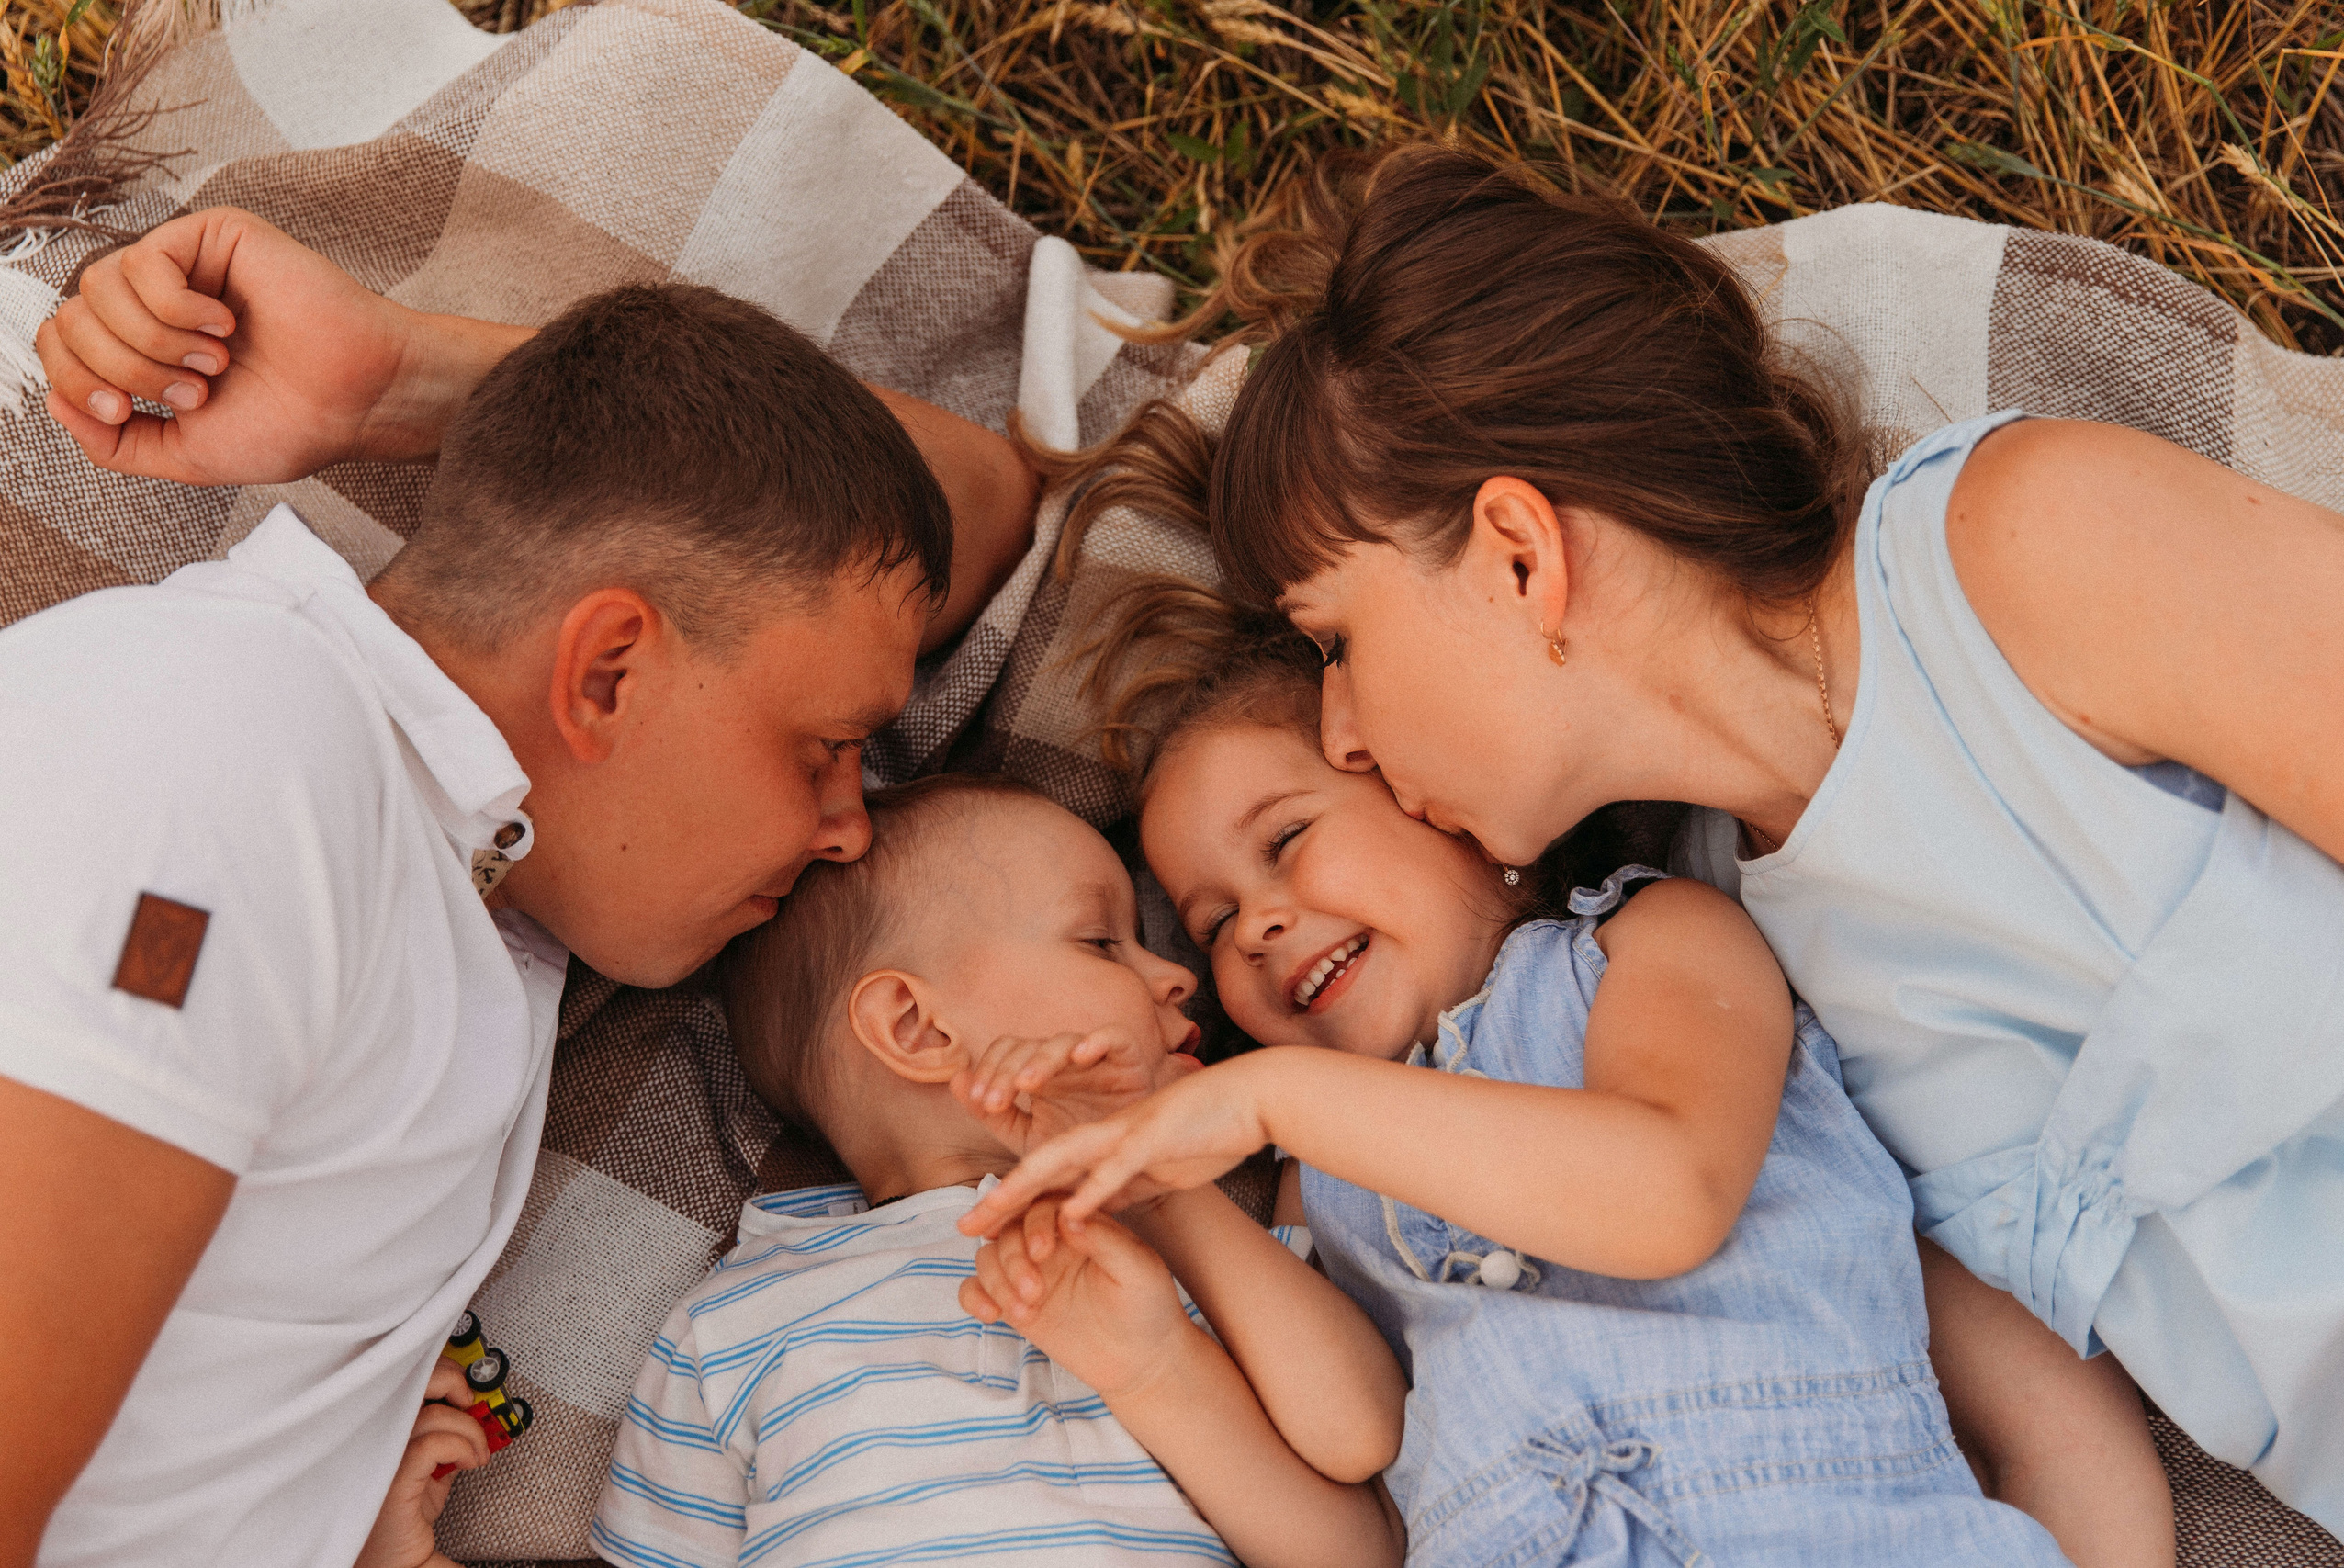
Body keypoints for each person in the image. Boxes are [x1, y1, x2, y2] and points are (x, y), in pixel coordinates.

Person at [1048, 141, 2344, 1541]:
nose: (1345, 730)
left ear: (1519, 554)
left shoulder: (2021, 551)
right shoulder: (1715, 954)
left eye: (1340, 643)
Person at [3, 208, 1039, 1568]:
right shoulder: (240, 743)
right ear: (609, 672)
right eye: (827, 747)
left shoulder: (455, 856)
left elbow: (965, 492)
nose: (851, 827)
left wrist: (397, 379)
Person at [960, 601, 2081, 1566]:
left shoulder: (1642, 946)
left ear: (1434, 800)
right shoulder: (1315, 1177)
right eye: (1209, 926)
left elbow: (1665, 1193)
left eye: (1289, 838)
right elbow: (1360, 1473)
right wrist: (1153, 1180)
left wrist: (1262, 1101)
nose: (1252, 926)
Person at [357, 774, 1407, 1568]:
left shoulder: (1191, 1250)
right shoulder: (734, 1325)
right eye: (1102, 942)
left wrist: (1160, 1192)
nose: (1178, 971)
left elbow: (1360, 1513)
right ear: (914, 1024)